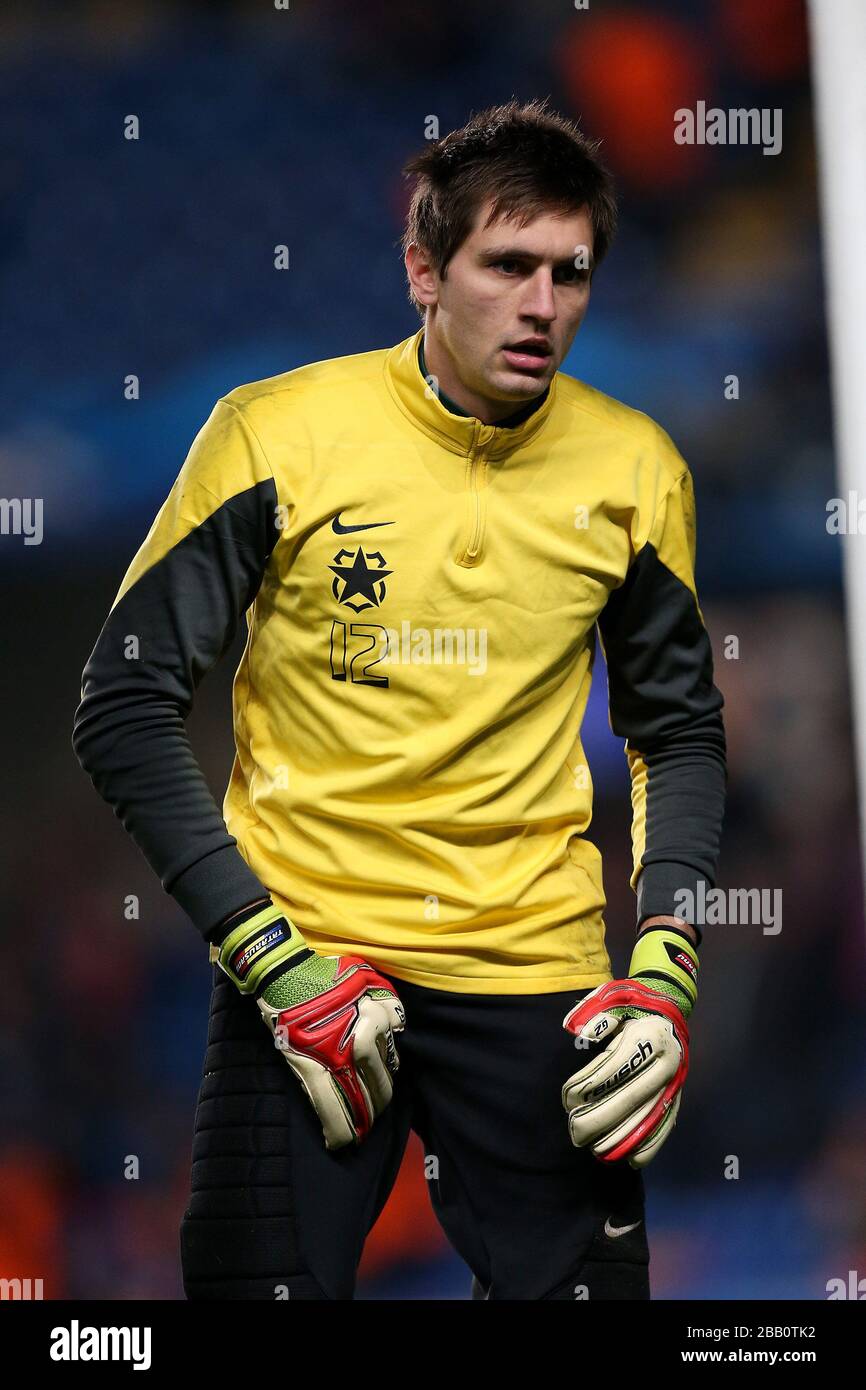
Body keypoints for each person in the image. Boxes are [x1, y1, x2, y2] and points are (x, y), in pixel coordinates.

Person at [72, 97, 726, 1301]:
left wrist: (667, 965)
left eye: (569, 272)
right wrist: (272, 962)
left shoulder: (636, 467)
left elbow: (676, 732)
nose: (542, 305)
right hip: (309, 968)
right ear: (423, 269)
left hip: (535, 972)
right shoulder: (273, 434)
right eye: (507, 266)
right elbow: (119, 704)